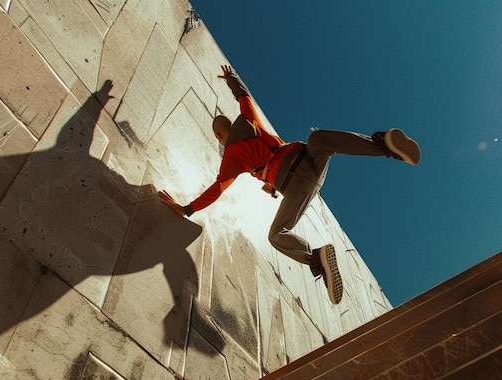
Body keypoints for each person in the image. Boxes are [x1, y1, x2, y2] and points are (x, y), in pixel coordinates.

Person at [159, 65, 420, 305]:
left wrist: (187, 209)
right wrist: (230, 78)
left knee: (276, 234)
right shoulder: (249, 119)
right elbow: (243, 96)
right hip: (307, 160)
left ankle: (314, 258)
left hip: (295, 188)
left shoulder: (230, 160)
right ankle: (383, 146)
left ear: (218, 137)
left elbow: (216, 190)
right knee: (318, 138)